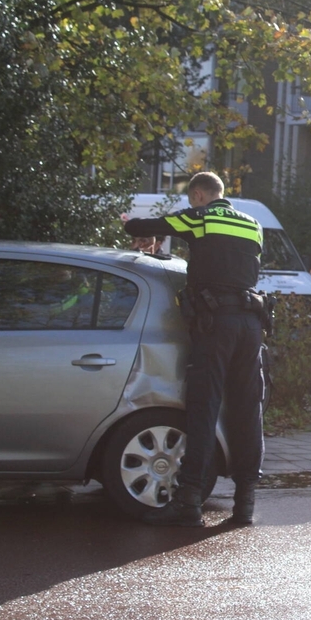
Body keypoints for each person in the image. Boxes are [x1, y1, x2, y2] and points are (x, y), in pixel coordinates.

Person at [124, 172, 266, 525]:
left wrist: (129, 222)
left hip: (215, 324)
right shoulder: (253, 224)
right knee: (248, 409)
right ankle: (245, 503)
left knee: (204, 407)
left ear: (200, 195)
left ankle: (188, 502)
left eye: (192, 199)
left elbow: (145, 225)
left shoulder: (200, 218)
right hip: (251, 325)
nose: (191, 205)